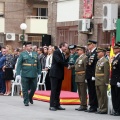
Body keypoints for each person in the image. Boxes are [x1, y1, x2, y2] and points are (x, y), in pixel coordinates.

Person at [16, 42, 41, 106]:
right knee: (25, 88)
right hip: (25, 73)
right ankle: (26, 101)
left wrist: (39, 72)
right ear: (26, 47)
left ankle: (30, 97)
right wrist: (18, 74)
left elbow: (38, 64)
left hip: (33, 73)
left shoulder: (35, 54)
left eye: (31, 46)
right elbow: (19, 65)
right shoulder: (22, 54)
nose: (30, 47)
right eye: (28, 46)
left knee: (34, 87)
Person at [49, 42, 68, 111]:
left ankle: (57, 104)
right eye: (65, 47)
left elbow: (63, 61)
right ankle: (52, 105)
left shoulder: (63, 53)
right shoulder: (56, 52)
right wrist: (67, 65)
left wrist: (67, 59)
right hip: (54, 74)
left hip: (60, 74)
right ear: (62, 46)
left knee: (58, 90)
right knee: (54, 90)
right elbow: (59, 61)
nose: (66, 48)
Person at [95, 47, 110, 114]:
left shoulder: (105, 61)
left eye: (99, 52)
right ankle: (100, 107)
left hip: (102, 80)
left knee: (103, 95)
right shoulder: (99, 61)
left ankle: (104, 109)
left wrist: (106, 82)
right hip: (97, 80)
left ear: (103, 53)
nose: (97, 54)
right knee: (99, 95)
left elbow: (107, 73)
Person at [85, 40, 98, 112]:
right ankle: (91, 105)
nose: (88, 46)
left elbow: (95, 65)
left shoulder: (96, 52)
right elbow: (88, 65)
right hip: (89, 75)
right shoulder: (90, 53)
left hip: (92, 75)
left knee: (93, 91)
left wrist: (93, 75)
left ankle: (94, 106)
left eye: (89, 45)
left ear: (93, 44)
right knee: (90, 91)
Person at [74, 46, 87, 111]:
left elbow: (85, 68)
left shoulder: (85, 58)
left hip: (82, 76)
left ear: (82, 51)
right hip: (78, 76)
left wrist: (85, 77)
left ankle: (84, 105)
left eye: (78, 50)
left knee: (83, 91)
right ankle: (81, 104)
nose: (77, 51)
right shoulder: (79, 57)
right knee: (79, 91)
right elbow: (77, 66)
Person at [110, 43, 120, 116]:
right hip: (113, 80)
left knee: (118, 96)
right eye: (114, 48)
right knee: (114, 96)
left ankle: (118, 110)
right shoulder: (115, 57)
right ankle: (115, 109)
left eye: (116, 48)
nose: (114, 50)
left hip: (118, 80)